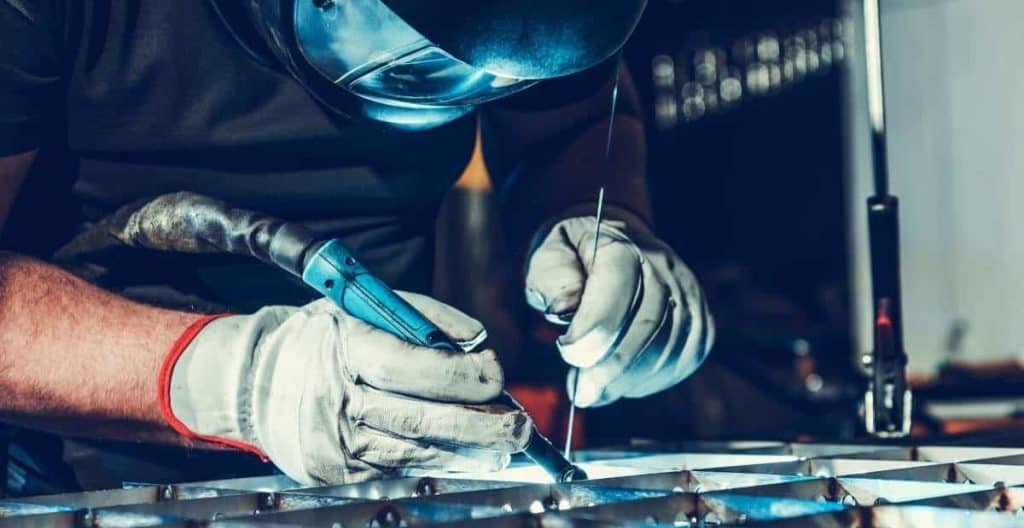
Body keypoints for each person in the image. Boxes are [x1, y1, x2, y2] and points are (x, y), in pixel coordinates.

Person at [0, 0, 713, 490]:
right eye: (426, 62)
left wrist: (605, 226)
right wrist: (235, 381)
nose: (470, 94)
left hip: (369, 481)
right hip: (65, 472)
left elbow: (564, 120)